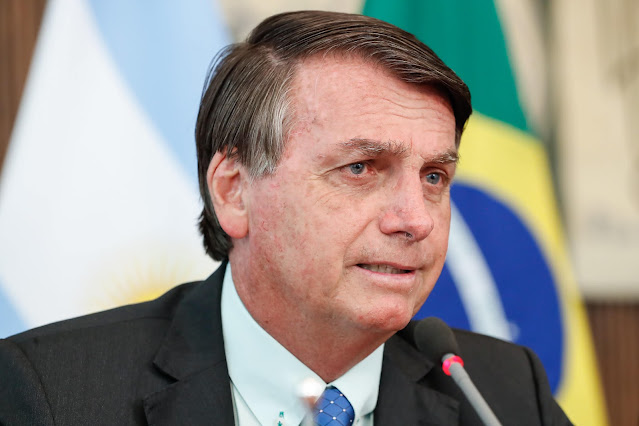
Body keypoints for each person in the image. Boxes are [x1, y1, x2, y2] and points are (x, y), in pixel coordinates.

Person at [0, 10, 571, 426]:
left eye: (434, 177)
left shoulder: (500, 391)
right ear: (234, 192)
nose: (416, 221)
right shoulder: (54, 393)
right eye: (361, 168)